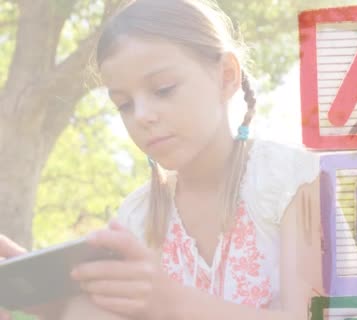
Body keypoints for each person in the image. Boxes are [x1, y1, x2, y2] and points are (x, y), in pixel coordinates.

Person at [25, 0, 319, 319]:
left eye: (163, 89)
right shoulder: (138, 216)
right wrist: (54, 306)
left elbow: (314, 316)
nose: (142, 116)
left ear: (227, 76)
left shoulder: (290, 180)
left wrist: (169, 302)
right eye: (124, 104)